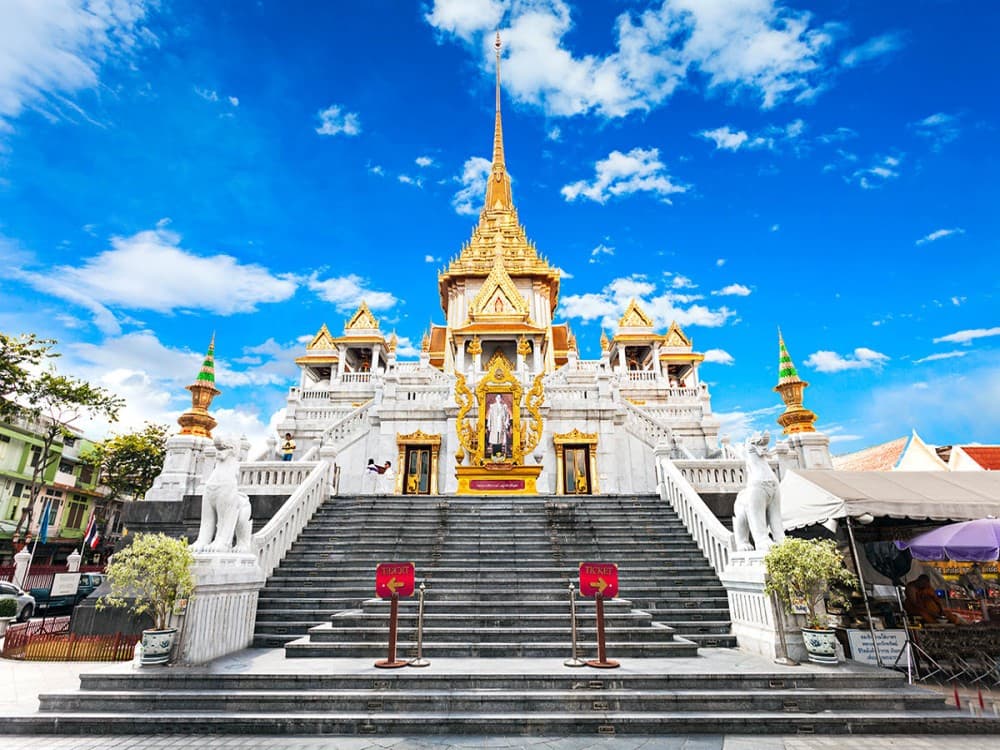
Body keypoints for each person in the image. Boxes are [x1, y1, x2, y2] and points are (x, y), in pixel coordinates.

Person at [486, 393, 512, 460]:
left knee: (500, 439)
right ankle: (494, 454)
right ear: (495, 399)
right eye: (497, 398)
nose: (498, 399)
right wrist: (489, 424)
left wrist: (506, 422)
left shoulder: (504, 407)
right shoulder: (492, 406)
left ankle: (500, 455)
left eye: (499, 398)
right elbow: (490, 416)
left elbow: (507, 416)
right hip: (494, 424)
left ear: (501, 399)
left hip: (501, 424)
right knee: (495, 439)